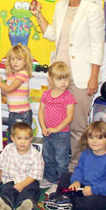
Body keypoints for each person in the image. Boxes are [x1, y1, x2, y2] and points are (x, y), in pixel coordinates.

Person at [30, 0, 105, 173]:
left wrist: (93, 78)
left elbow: (98, 45)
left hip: (81, 77)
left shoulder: (93, 9)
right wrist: (38, 15)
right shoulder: (60, 6)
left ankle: (74, 168)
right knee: (54, 124)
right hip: (58, 77)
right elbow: (53, 34)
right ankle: (54, 167)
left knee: (77, 126)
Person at [44, 121, 106, 210]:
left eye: (99, 138)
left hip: (103, 195)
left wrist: (93, 190)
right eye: (91, 137)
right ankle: (62, 197)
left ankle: (67, 201)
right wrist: (76, 181)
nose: (94, 141)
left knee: (90, 203)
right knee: (66, 176)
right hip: (84, 187)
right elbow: (79, 169)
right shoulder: (86, 154)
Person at [38, 61, 76, 189]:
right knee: (48, 157)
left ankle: (62, 182)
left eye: (66, 78)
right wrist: (43, 127)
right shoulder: (46, 94)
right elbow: (41, 112)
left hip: (61, 134)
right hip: (48, 132)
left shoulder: (68, 97)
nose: (64, 82)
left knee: (61, 160)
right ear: (51, 79)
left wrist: (56, 129)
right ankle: (50, 179)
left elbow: (69, 117)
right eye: (59, 79)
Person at [0, 122, 44, 210]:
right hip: (11, 179)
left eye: (26, 138)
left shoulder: (35, 155)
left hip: (28, 181)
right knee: (7, 189)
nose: (23, 142)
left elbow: (34, 174)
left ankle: (24, 205)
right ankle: (5, 203)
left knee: (29, 191)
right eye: (19, 138)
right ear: (12, 138)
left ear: (31, 139)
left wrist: (22, 184)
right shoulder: (8, 148)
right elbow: (2, 164)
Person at [0, 44, 33, 142]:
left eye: (19, 59)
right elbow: (5, 92)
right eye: (12, 59)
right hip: (13, 113)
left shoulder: (23, 74)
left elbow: (9, 89)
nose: (15, 62)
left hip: (22, 113)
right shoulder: (12, 75)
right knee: (12, 139)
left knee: (21, 140)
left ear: (25, 61)